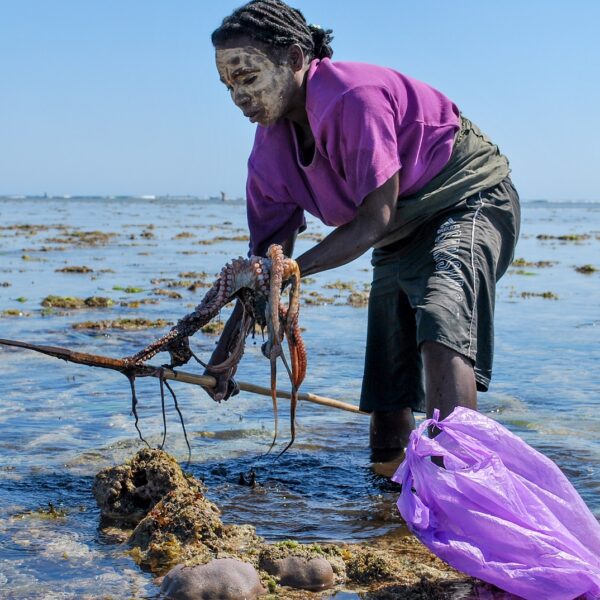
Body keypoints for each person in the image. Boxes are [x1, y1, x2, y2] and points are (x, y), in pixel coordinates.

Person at [206, 0, 520, 463]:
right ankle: (388, 495)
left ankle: (461, 474)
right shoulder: (268, 154)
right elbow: (262, 265)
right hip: (396, 231)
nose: (239, 96)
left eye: (248, 77)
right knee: (387, 378)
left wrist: (296, 268)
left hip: (464, 198)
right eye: (228, 84)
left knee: (440, 316)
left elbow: (373, 218)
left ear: (295, 59)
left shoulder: (353, 98)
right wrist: (226, 351)